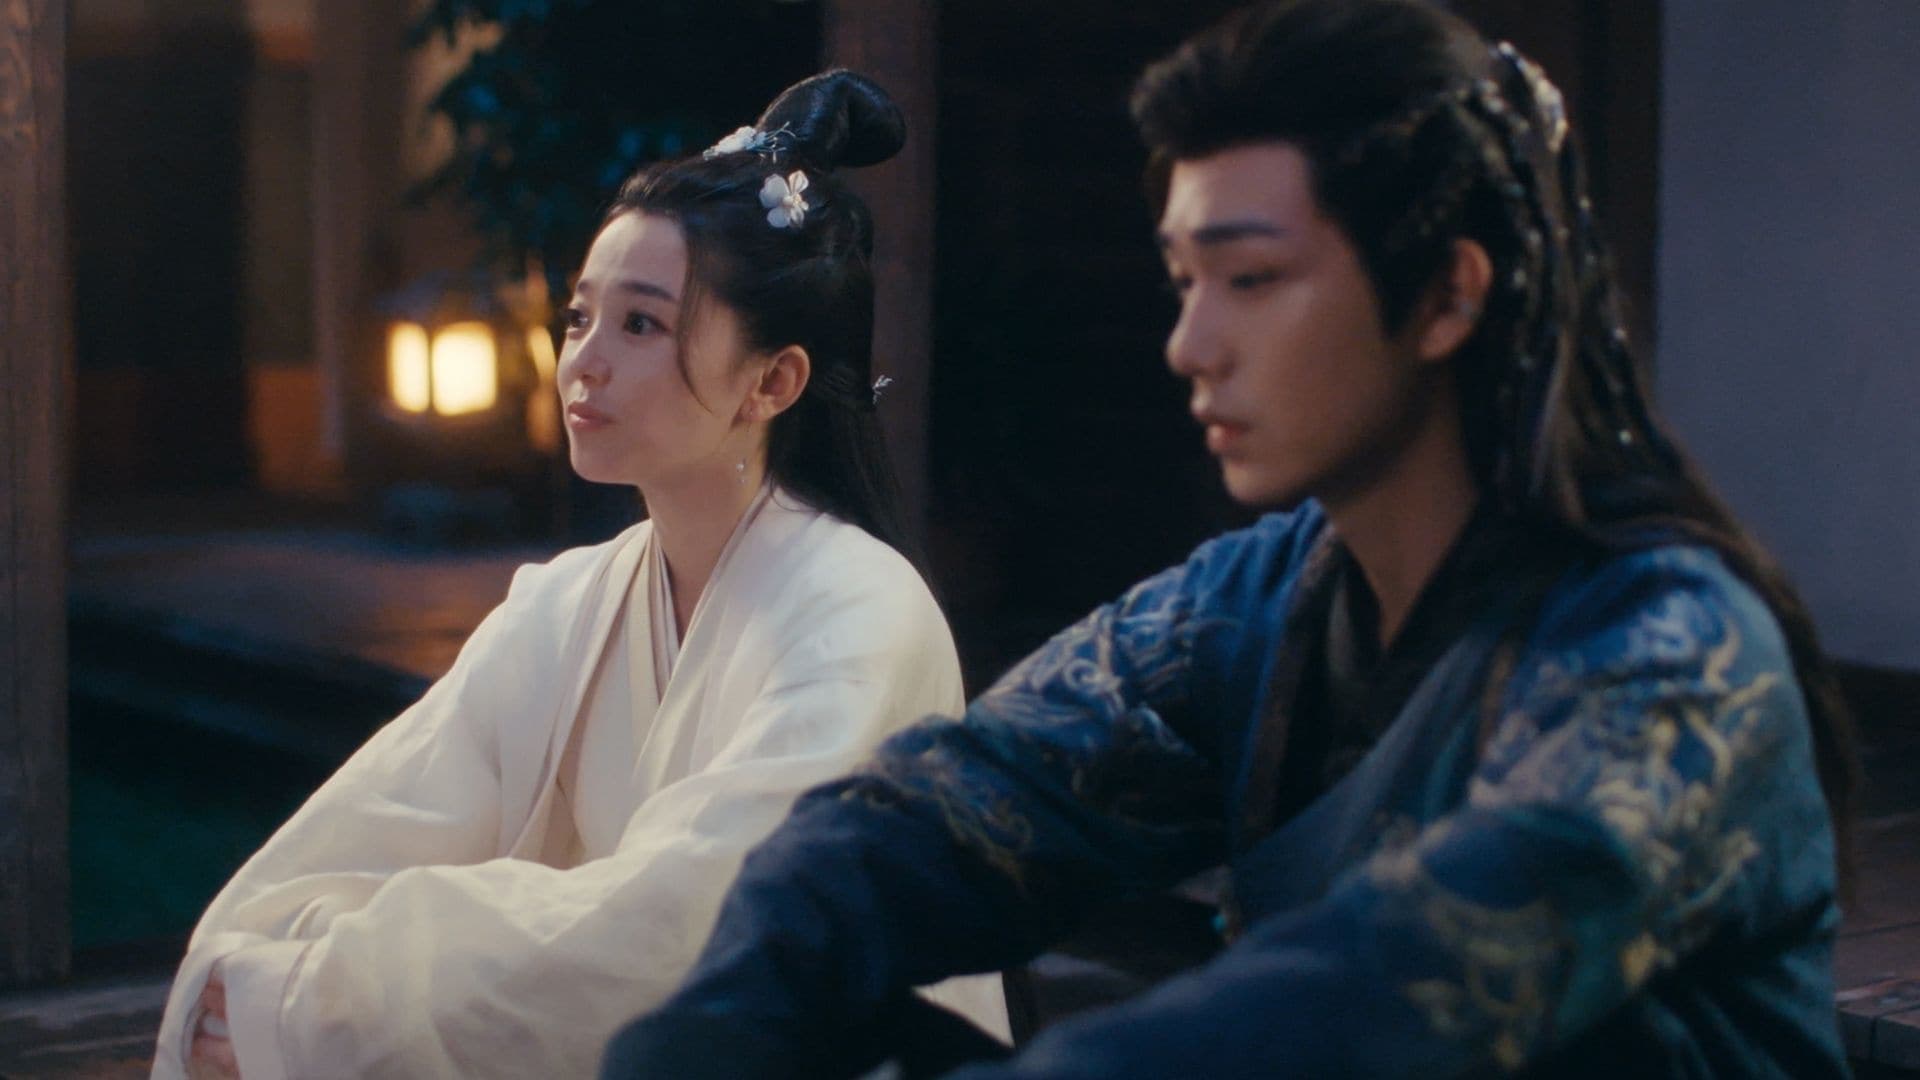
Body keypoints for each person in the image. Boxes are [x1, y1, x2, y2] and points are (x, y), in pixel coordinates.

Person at [600, 2, 1860, 1076]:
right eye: (1184, 280)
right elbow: (933, 812)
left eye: (1250, 280)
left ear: (1445, 295)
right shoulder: (1261, 598)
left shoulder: (1676, 656)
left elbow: (1382, 988)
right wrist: (714, 1025)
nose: (1190, 345)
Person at [150, 71, 1007, 1080]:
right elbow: (354, 841)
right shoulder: (565, 606)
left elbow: (689, 932)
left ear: (772, 381)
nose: (581, 364)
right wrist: (265, 978)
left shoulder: (861, 617)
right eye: (578, 318)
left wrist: (312, 1006)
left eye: (640, 325)